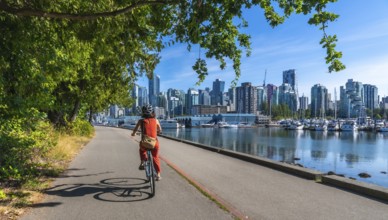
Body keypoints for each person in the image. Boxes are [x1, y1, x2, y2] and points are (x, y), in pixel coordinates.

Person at [131, 104, 162, 180]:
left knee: (142, 149)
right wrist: (157, 132)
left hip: (145, 142)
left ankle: (142, 162)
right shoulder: (156, 120)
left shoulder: (141, 121)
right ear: (152, 112)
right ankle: (158, 174)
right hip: (154, 143)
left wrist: (133, 134)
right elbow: (160, 130)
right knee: (155, 157)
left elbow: (135, 130)